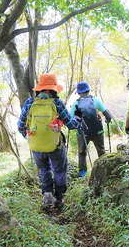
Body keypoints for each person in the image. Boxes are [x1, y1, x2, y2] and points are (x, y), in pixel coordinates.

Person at [18, 74, 81, 209]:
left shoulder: (30, 103)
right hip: (55, 146)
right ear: (53, 89)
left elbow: (20, 125)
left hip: (36, 146)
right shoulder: (56, 103)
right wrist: (77, 119)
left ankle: (47, 196)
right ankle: (59, 198)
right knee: (59, 170)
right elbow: (71, 125)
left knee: (43, 170)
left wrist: (30, 138)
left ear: (40, 89)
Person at [70, 81, 112, 177]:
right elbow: (107, 115)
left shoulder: (76, 104)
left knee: (82, 152)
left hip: (83, 132)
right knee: (101, 151)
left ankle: (82, 173)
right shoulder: (95, 100)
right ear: (88, 91)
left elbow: (71, 119)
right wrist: (107, 121)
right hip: (98, 130)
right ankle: (103, 171)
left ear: (79, 93)